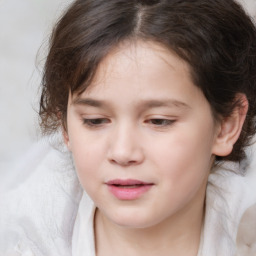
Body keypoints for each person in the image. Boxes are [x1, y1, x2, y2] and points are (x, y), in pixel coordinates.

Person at [1, 0, 256, 255]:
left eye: (159, 121)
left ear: (226, 125)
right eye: (95, 120)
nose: (123, 152)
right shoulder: (23, 238)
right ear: (65, 128)